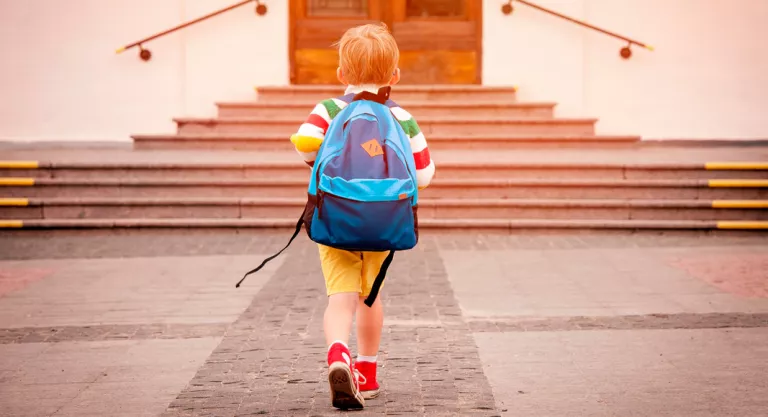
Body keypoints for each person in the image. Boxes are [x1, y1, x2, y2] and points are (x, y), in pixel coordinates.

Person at [289, 23, 436, 409]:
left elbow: (304, 142)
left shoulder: (329, 109)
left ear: (341, 74)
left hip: (335, 217)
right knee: (370, 296)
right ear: (394, 75)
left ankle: (338, 354)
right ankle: (367, 372)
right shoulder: (401, 116)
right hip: (383, 221)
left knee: (340, 297)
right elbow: (423, 174)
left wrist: (318, 163)